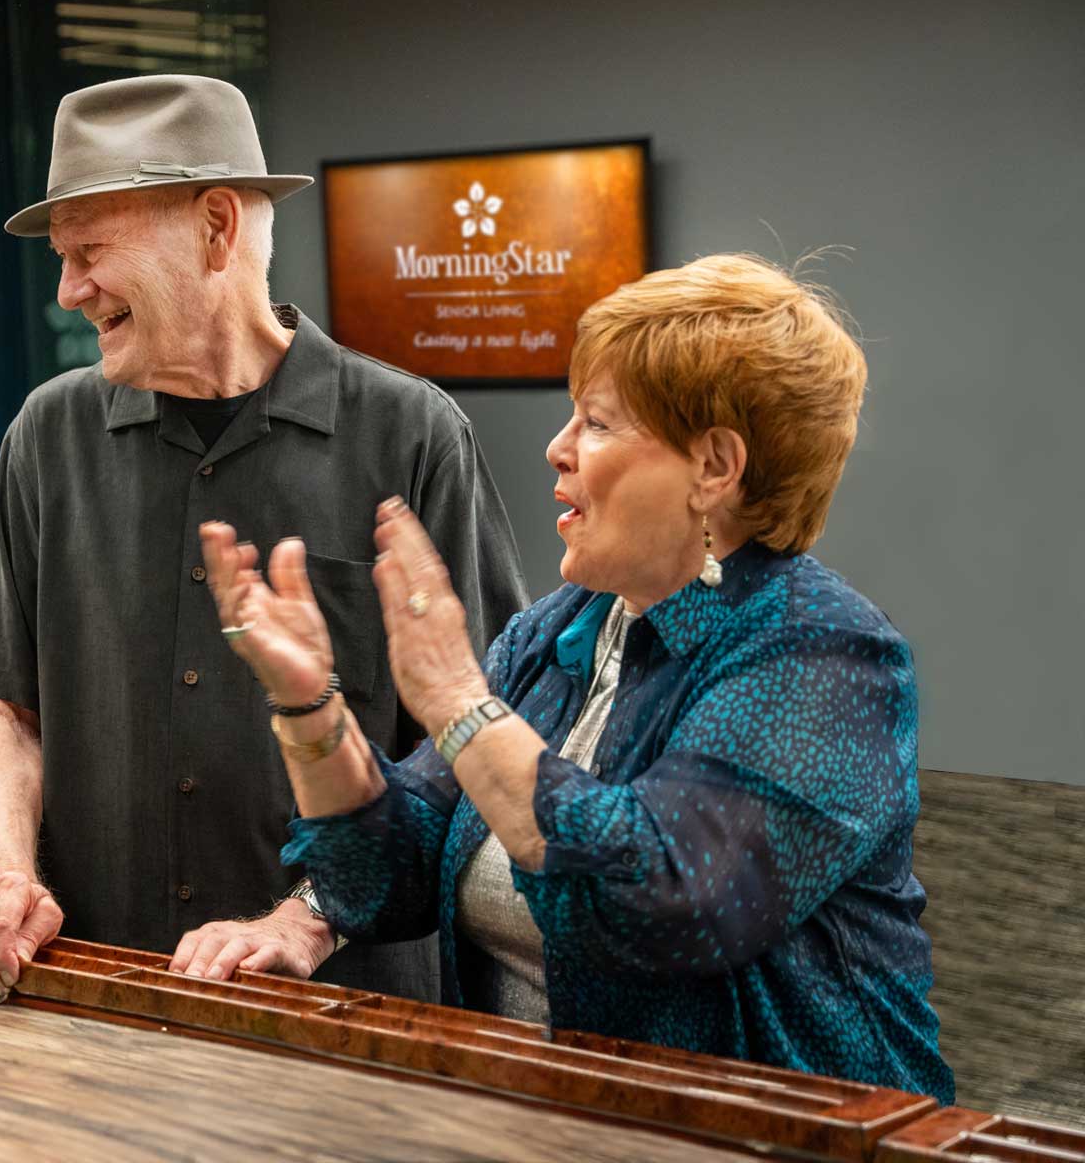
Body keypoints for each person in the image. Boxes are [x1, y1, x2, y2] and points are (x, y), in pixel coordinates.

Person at [201, 253, 954, 1099]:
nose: (557, 449)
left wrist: (456, 699)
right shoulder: (560, 628)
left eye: (597, 424)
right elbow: (382, 877)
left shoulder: (826, 655)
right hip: (540, 1122)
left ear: (715, 467)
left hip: (792, 1134)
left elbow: (662, 900)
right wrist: (308, 704)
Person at [0, 75, 528, 1000]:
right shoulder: (48, 436)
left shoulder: (409, 435)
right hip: (100, 988)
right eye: (61, 258)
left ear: (217, 228)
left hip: (347, 1007)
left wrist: (310, 912)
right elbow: (3, 710)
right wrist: (2, 876)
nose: (67, 291)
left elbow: (480, 735)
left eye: (90, 252)